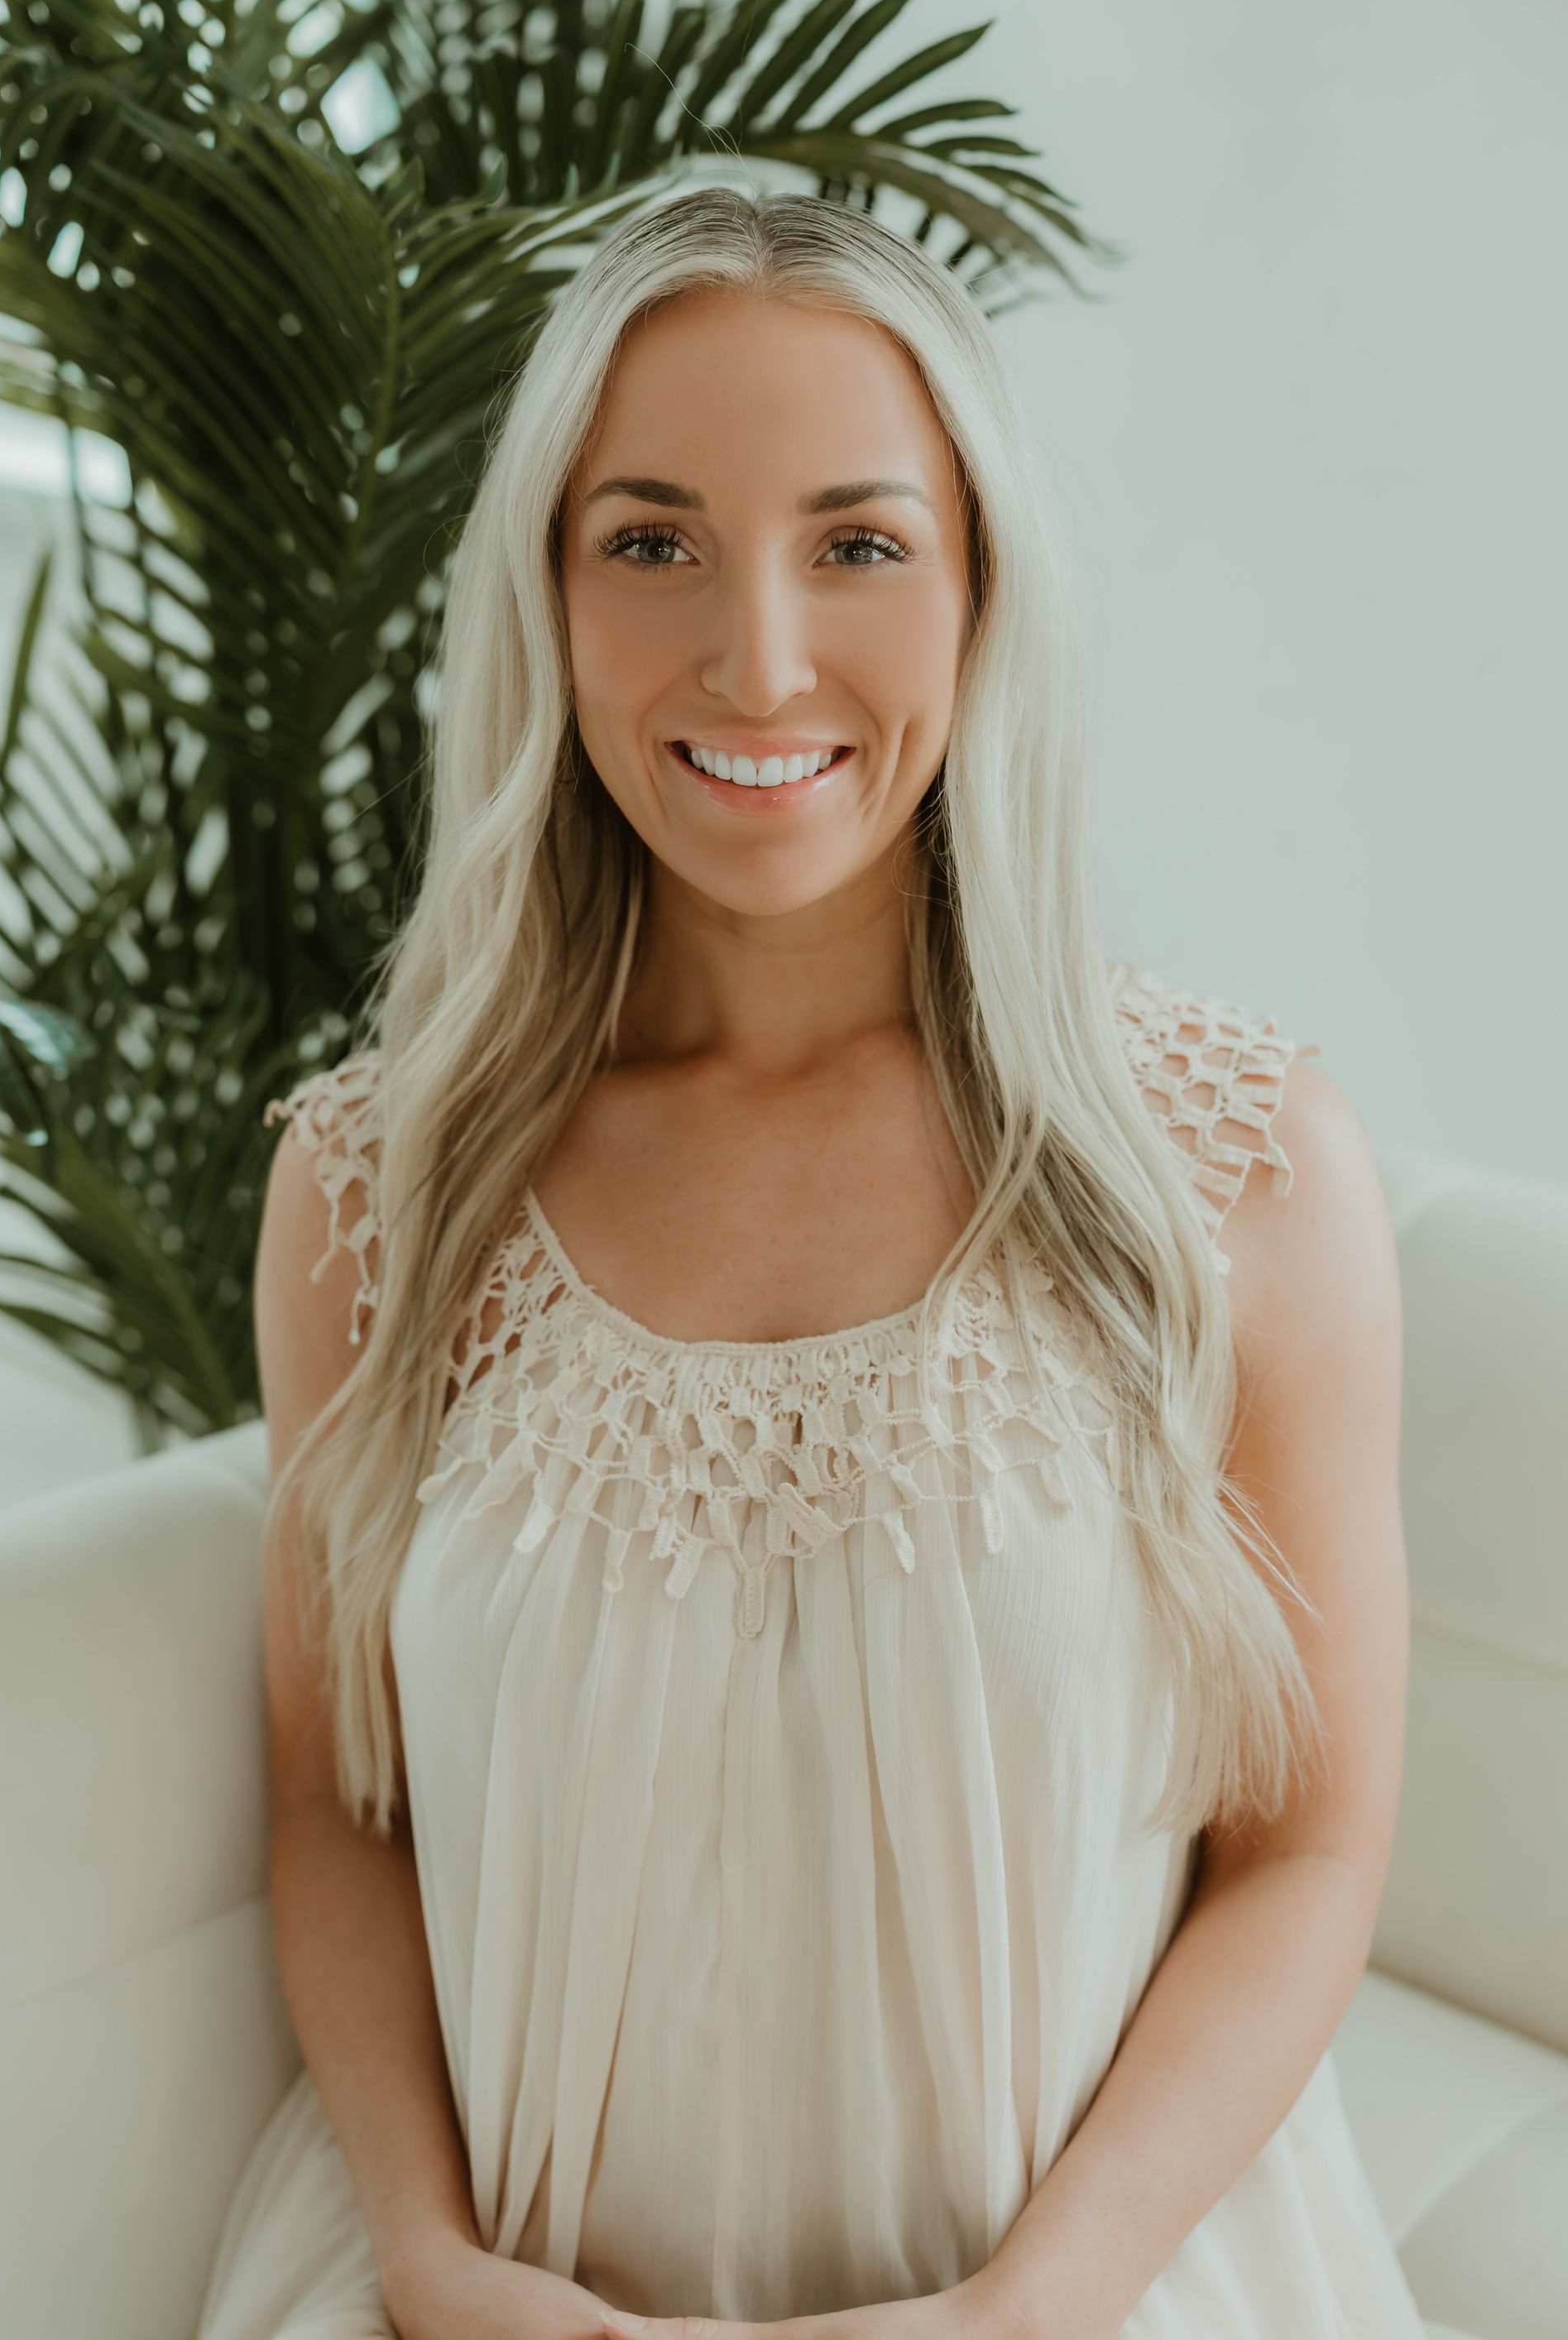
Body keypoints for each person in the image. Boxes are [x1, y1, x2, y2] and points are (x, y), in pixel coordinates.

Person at [198, 186, 1427, 2340]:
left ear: (980, 589)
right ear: (547, 595)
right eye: (652, 539)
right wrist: (424, 2257)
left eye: (858, 544)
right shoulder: (372, 1192)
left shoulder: (1234, 1173)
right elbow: (335, 1810)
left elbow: (1308, 1857)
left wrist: (1026, 2309)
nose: (756, 660)